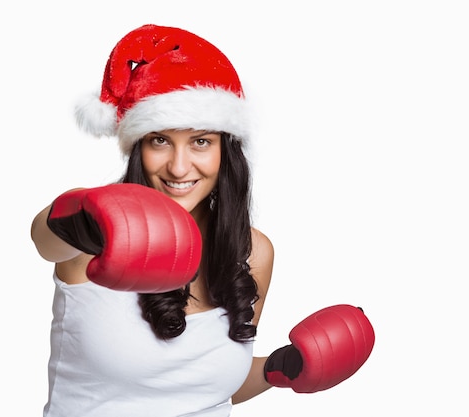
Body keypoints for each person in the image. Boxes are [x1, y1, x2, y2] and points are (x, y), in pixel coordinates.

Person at [31, 24, 374, 417]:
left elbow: (213, 387)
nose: (179, 167)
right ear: (137, 147)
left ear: (225, 151)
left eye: (200, 141)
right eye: (160, 140)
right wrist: (94, 226)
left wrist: (285, 367)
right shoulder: (91, 224)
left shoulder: (252, 251)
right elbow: (44, 237)